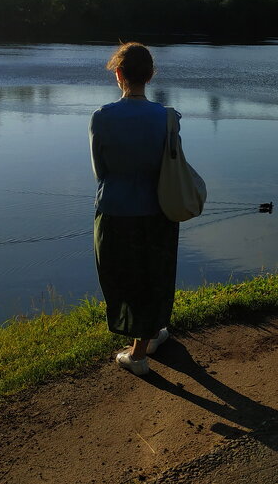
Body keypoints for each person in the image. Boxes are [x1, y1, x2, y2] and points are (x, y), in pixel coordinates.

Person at [89, 42, 179, 375]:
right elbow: (171, 169)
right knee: (154, 275)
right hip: (159, 212)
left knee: (122, 277)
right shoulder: (167, 118)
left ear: (118, 74)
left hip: (116, 210)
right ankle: (152, 334)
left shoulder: (102, 117)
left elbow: (101, 171)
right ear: (151, 75)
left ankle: (138, 355)